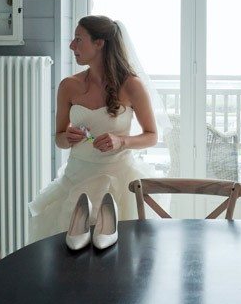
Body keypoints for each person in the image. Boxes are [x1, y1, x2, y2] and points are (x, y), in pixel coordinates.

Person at [28, 15, 168, 242]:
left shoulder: (132, 85)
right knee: (70, 253)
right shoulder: (68, 86)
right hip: (75, 181)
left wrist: (122, 141)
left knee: (120, 256)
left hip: (120, 182)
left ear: (99, 43)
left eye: (78, 39)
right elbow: (60, 139)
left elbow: (152, 136)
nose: (72, 45)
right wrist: (68, 137)